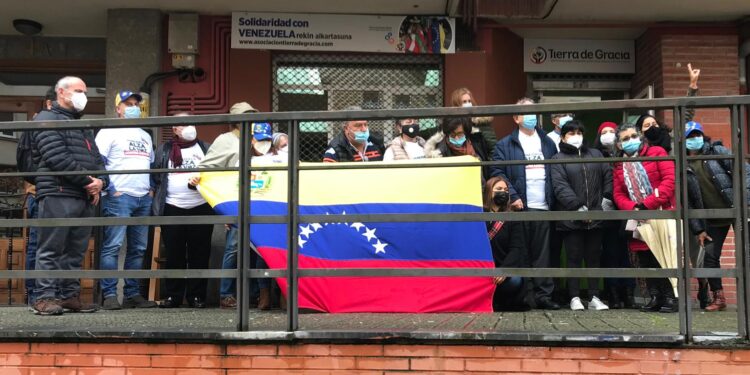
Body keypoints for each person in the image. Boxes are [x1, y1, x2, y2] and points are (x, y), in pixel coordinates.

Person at [31, 76, 108, 315]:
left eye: (85, 91)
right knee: (51, 248)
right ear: (61, 93)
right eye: (78, 90)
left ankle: (68, 296)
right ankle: (44, 297)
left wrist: (100, 181)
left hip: (83, 195)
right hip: (58, 192)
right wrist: (89, 182)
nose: (83, 95)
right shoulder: (46, 118)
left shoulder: (81, 124)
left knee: (76, 251)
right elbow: (56, 157)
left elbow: (97, 159)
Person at [490, 97, 559, 310]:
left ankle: (544, 296)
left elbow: (556, 170)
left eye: (533, 112)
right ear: (516, 117)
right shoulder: (504, 144)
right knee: (521, 252)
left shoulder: (548, 142)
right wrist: (513, 195)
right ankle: (526, 297)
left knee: (543, 255)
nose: (531, 117)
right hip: (519, 207)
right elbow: (497, 171)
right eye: (526, 113)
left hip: (544, 206)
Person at [95, 91, 157, 310]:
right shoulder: (108, 132)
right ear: (118, 109)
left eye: (135, 104)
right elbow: (98, 162)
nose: (132, 107)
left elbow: (150, 164)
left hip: (142, 197)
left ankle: (132, 294)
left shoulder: (145, 135)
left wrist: (150, 189)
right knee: (112, 246)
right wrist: (111, 189)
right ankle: (109, 294)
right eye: (127, 104)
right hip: (119, 197)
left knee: (138, 249)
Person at [192, 101, 257, 309]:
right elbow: (208, 166)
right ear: (236, 120)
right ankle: (226, 294)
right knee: (234, 247)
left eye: (253, 114)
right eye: (246, 115)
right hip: (235, 199)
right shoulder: (225, 140)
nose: (251, 118)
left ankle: (254, 295)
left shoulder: (259, 138)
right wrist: (221, 203)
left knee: (259, 248)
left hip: (260, 197)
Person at [684, 121, 750, 311]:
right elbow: (687, 201)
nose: (694, 139)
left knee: (746, 254)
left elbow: (745, 172)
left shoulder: (717, 151)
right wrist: (699, 229)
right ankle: (719, 298)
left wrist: (746, 201)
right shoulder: (683, 163)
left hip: (737, 210)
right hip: (712, 217)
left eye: (696, 135)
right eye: (689, 136)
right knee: (710, 257)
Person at [612, 123, 677, 313]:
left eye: (633, 136)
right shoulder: (618, 165)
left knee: (663, 255)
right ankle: (654, 296)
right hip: (638, 217)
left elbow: (669, 181)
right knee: (645, 257)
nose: (630, 141)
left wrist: (647, 204)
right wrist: (634, 207)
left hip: (661, 213)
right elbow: (618, 194)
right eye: (625, 139)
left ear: (640, 137)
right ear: (619, 145)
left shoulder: (657, 152)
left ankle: (671, 298)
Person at [550, 121, 613, 311]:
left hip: (597, 216)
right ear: (563, 137)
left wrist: (602, 206)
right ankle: (575, 297)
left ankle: (594, 297)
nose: (576, 136)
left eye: (579, 132)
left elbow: (608, 178)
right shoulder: (557, 158)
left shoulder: (596, 154)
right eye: (571, 133)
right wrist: (578, 208)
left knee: (594, 257)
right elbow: (560, 187)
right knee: (573, 258)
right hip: (571, 219)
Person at [152, 113, 213, 308]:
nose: (189, 127)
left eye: (191, 123)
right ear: (175, 129)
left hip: (201, 207)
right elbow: (156, 177)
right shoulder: (165, 150)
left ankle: (197, 296)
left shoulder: (205, 148)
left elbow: (216, 174)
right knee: (174, 253)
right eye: (183, 124)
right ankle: (174, 296)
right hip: (172, 207)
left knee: (200, 253)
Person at [593, 121, 636, 309]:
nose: (609, 134)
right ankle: (613, 293)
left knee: (626, 254)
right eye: (605, 132)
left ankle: (628, 292)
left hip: (626, 209)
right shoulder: (594, 155)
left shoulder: (624, 155)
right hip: (606, 210)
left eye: (612, 131)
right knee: (610, 253)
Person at [23, 86, 56, 308]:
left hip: (54, 193)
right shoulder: (35, 125)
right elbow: (26, 161)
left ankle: (47, 292)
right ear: (49, 103)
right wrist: (38, 183)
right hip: (39, 193)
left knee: (51, 245)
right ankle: (34, 293)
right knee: (38, 244)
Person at [483, 176, 531, 311]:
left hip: (502, 270)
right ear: (489, 192)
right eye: (498, 189)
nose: (503, 192)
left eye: (505, 190)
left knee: (515, 281)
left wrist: (504, 270)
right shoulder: (479, 215)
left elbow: (516, 248)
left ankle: (498, 301)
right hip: (483, 268)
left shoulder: (512, 218)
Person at [634, 63, 702, 154]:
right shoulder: (638, 149)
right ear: (640, 132)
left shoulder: (671, 138)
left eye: (654, 124)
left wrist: (692, 86)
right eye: (647, 126)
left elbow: (685, 114)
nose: (652, 127)